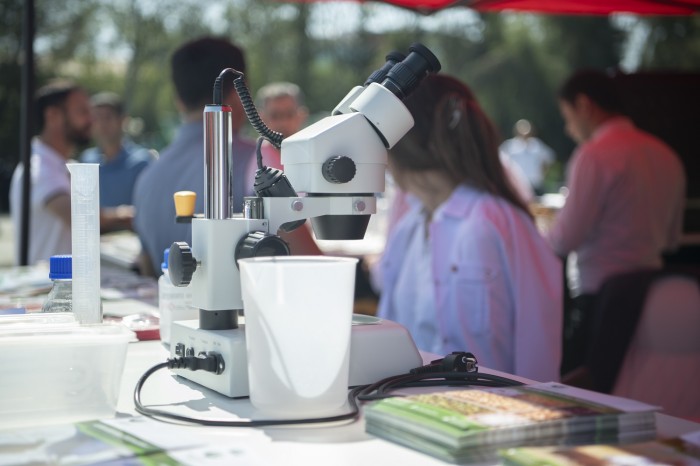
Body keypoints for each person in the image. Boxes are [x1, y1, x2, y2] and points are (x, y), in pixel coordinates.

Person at [375, 74, 562, 382]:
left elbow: (537, 345)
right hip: (412, 413)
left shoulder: (497, 221)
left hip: (493, 418)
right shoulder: (409, 226)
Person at [546, 69, 686, 374]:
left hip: (601, 302)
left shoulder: (594, 156)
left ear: (584, 105)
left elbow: (564, 239)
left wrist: (543, 231)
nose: (569, 128)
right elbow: (673, 239)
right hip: (657, 297)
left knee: (585, 397)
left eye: (567, 116)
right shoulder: (667, 156)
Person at [133, 37, 256, 277]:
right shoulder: (258, 162)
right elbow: (307, 264)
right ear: (241, 91)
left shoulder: (146, 177)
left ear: (178, 101)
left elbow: (147, 266)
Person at [9, 80, 92, 265]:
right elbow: (85, 220)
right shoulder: (39, 168)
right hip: (48, 289)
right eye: (82, 111)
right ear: (53, 115)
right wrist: (127, 217)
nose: (90, 119)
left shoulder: (58, 165)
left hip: (59, 286)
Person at [244, 81, 321, 256]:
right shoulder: (261, 161)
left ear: (301, 115)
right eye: (275, 115)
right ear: (261, 118)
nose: (283, 122)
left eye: (289, 114)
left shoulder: (311, 154)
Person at [80, 92, 155, 232]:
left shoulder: (141, 161)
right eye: (96, 118)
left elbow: (148, 213)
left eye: (108, 117)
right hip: (93, 246)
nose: (102, 124)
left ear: (122, 121)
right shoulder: (86, 160)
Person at [499, 119, 555, 195]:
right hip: (517, 186)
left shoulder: (537, 144)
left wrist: (542, 173)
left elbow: (549, 158)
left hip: (535, 185)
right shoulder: (509, 146)